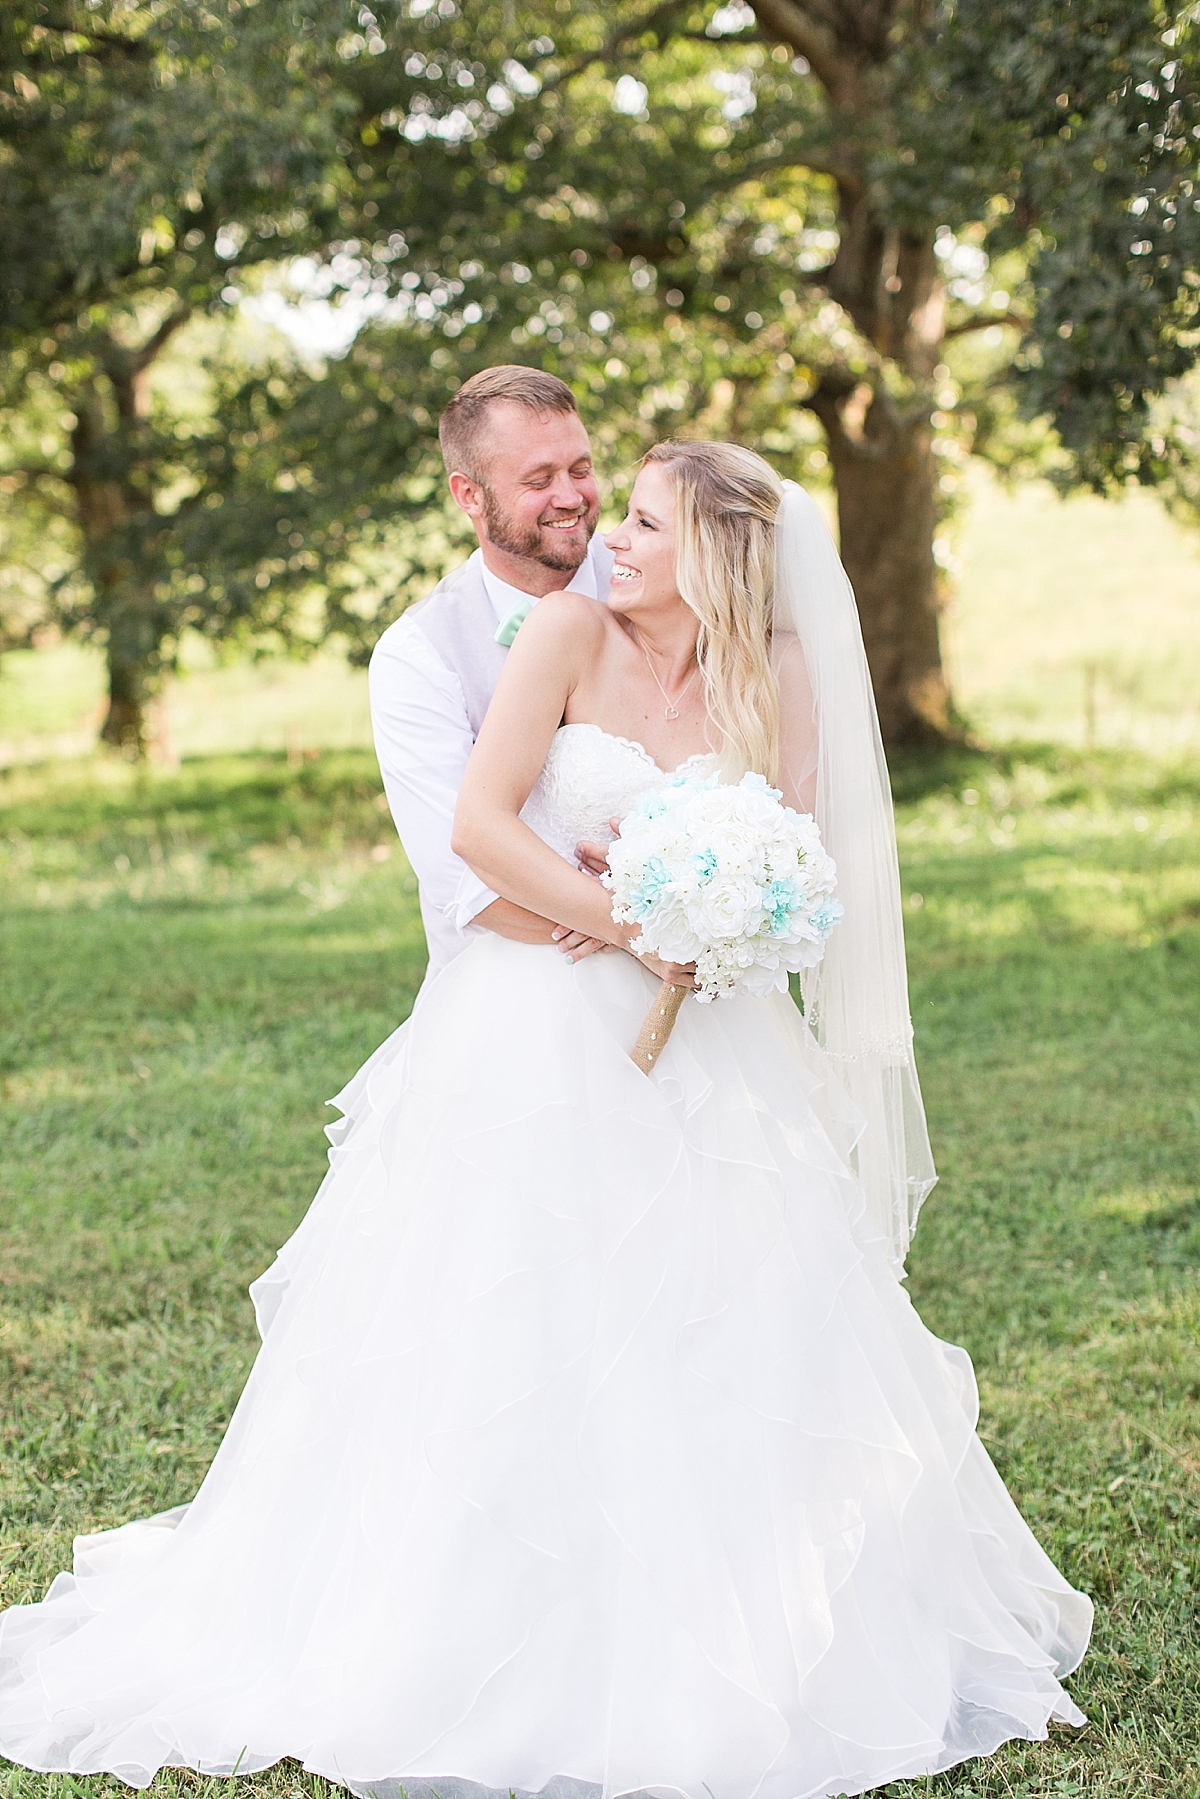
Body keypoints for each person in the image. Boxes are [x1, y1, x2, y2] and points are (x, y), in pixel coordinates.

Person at [0, 442, 1092, 1799]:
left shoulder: (785, 670)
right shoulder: (569, 633)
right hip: (530, 1026)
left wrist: (732, 923)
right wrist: (640, 918)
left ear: (713, 558)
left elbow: (799, 853)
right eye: (612, 512)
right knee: (509, 1308)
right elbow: (481, 826)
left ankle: (754, 1616)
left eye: (638, 520)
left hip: (719, 1045)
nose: (607, 539)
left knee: (725, 1313)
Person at [369, 364, 615, 983]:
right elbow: (466, 886)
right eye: (539, 480)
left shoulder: (661, 580)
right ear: (469, 495)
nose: (571, 497)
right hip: (508, 995)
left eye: (580, 470)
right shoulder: (416, 656)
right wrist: (644, 932)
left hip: (695, 993)